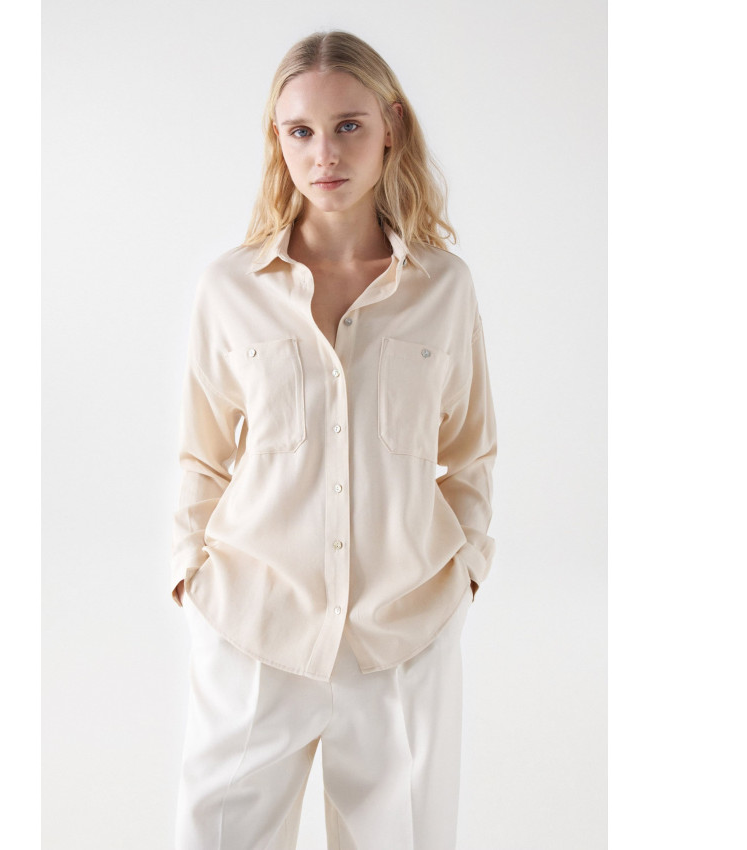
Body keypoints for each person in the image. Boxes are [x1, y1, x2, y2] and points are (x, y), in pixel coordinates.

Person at [170, 29, 497, 850]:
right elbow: (202, 453)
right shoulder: (230, 288)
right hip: (254, 626)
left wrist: (465, 571)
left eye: (349, 125)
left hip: (402, 633)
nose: (325, 153)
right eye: (301, 130)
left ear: (391, 126)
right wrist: (190, 578)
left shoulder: (444, 288)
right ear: (278, 141)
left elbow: (471, 449)